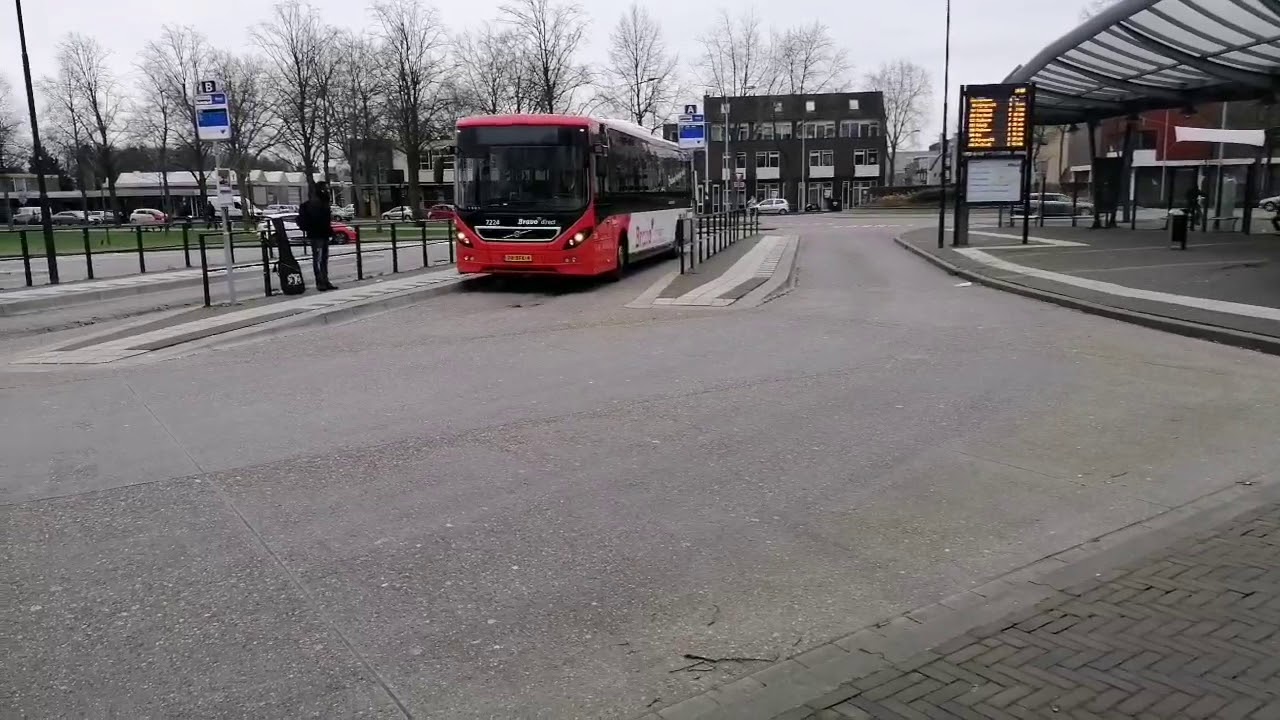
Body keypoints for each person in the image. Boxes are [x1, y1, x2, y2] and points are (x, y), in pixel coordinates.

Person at [297, 182, 336, 291]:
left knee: (321, 258)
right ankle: (321, 281)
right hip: (318, 234)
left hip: (319, 234)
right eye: (326, 189)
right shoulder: (318, 204)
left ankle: (323, 280)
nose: (328, 191)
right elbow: (322, 220)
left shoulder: (319, 203)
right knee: (320, 258)